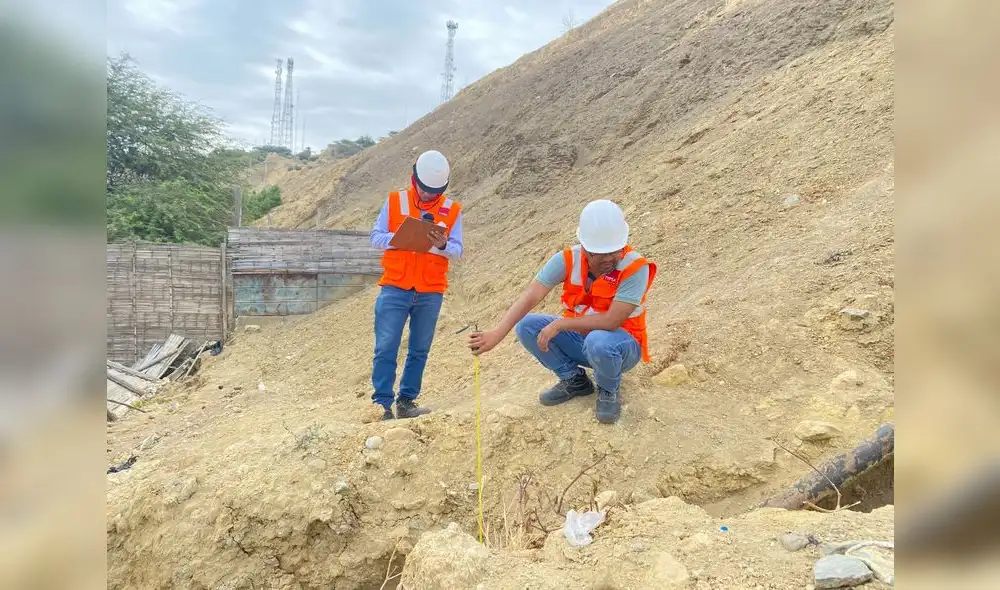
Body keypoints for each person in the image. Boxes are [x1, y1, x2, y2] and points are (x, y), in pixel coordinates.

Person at [468, 199, 656, 424]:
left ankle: (608, 390)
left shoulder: (635, 267)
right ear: (585, 246)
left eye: (614, 251)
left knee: (599, 340)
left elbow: (612, 321)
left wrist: (560, 324)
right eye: (600, 253)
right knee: (527, 326)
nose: (608, 258)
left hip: (620, 349)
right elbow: (531, 295)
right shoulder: (568, 259)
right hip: (583, 341)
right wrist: (497, 334)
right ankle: (575, 380)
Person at [369, 150, 463, 420]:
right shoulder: (395, 201)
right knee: (386, 346)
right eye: (423, 190)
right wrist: (400, 239)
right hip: (395, 286)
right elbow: (375, 237)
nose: (426, 196)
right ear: (414, 179)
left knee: (420, 348)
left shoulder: (451, 210)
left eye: (433, 193)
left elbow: (457, 250)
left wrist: (441, 245)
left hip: (430, 290)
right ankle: (382, 404)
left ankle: (407, 401)